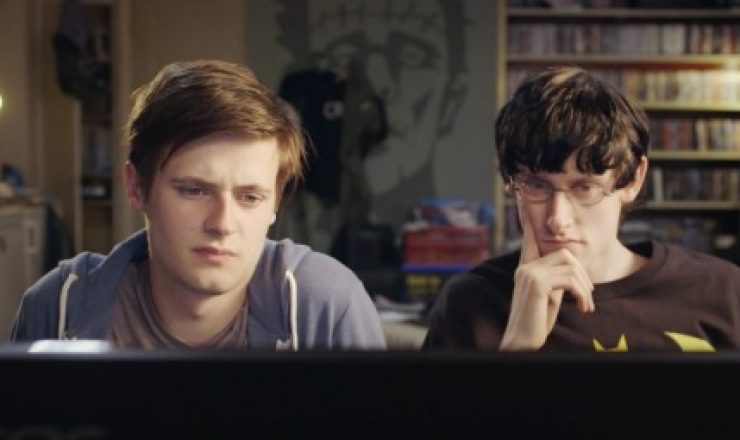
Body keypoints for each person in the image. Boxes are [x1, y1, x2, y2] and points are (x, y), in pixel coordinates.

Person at [10, 59, 386, 350]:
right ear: (136, 187)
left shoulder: (328, 308)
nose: (222, 223)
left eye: (250, 197)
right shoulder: (57, 307)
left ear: (275, 201)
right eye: (194, 190)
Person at [423, 66, 740, 352]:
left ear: (633, 179)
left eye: (584, 187)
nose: (557, 220)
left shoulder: (722, 291)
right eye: (536, 186)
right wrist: (517, 348)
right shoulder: (469, 302)